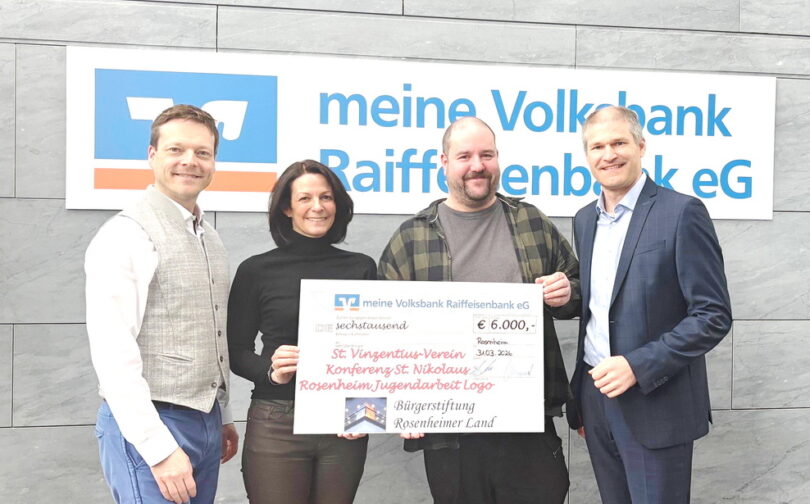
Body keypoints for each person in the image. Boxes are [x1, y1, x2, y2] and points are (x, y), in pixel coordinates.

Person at [378, 117, 580, 504]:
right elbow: (383, 332)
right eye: (464, 156)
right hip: (449, 430)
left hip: (527, 421)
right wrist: (399, 403)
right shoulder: (412, 237)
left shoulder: (531, 222)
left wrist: (567, 291)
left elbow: (579, 290)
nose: (477, 165)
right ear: (443, 162)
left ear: (498, 158)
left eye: (486, 155)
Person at [567, 106, 732, 503]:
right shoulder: (584, 220)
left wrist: (637, 366)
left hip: (656, 401)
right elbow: (601, 306)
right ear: (587, 156)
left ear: (640, 146)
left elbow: (712, 315)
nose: (609, 155)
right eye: (598, 146)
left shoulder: (681, 212)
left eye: (619, 143)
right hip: (595, 398)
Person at [86, 104, 239, 504]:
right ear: (152, 155)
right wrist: (158, 448)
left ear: (214, 162)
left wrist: (221, 416)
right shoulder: (126, 234)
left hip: (205, 421)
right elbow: (113, 352)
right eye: (176, 149)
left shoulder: (210, 237)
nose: (190, 161)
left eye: (202, 152)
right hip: (152, 425)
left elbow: (211, 332)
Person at [228, 160, 375, 503]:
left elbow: (374, 352)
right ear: (286, 207)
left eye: (326, 197)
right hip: (277, 421)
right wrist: (271, 371)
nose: (317, 206)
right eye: (305, 198)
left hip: (343, 423)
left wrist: (364, 413)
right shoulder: (256, 270)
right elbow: (235, 351)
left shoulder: (361, 267)